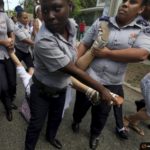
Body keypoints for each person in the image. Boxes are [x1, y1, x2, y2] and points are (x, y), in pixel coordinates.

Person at [24, 0, 123, 149]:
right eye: (44, 11)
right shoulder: (44, 40)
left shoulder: (71, 25)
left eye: (56, 8)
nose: (49, 16)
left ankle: (51, 137)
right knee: (36, 124)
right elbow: (72, 69)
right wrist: (101, 89)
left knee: (56, 119)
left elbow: (75, 57)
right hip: (41, 92)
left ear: (69, 6)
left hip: (62, 89)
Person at [72, 0, 150, 149]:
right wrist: (75, 65)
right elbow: (85, 43)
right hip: (89, 77)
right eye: (124, 1)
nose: (125, 4)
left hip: (112, 82)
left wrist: (107, 53)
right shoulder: (102, 22)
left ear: (141, 9)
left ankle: (95, 135)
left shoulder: (142, 29)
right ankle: (76, 121)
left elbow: (141, 54)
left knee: (101, 113)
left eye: (132, 2)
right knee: (80, 106)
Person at [0, 0, 16, 121]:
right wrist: (3, 42)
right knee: (3, 86)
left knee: (12, 83)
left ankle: (9, 100)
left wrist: (12, 41)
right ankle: (8, 108)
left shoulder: (4, 15)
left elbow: (11, 30)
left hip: (8, 54)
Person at [14, 11, 34, 75]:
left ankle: (30, 82)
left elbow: (29, 36)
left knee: (31, 67)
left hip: (26, 51)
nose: (27, 19)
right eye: (24, 18)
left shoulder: (27, 26)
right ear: (19, 18)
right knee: (14, 68)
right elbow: (24, 40)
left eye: (27, 17)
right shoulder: (17, 27)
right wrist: (35, 43)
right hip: (18, 51)